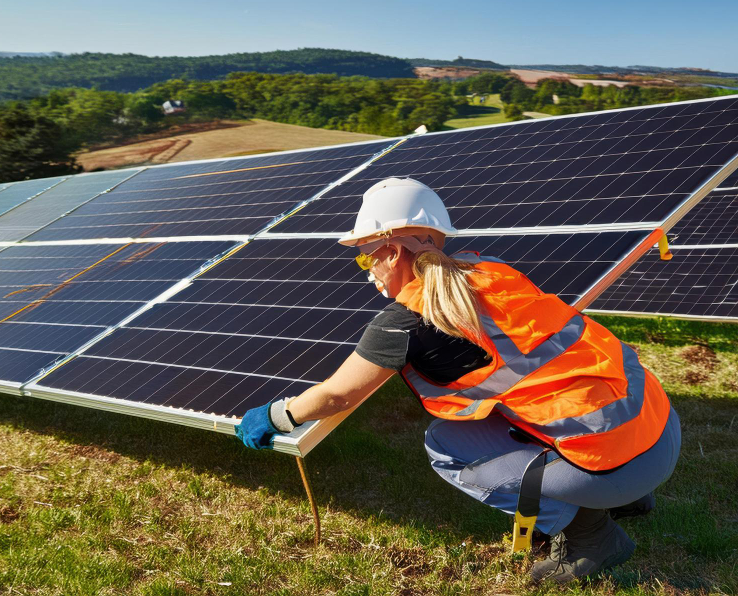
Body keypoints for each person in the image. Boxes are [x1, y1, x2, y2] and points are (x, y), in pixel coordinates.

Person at [235, 177, 680, 585]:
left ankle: (593, 537)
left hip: (613, 464)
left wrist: (277, 414)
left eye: (365, 257)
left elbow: (337, 394)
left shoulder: (402, 323)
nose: (367, 271)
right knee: (549, 399)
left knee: (444, 443)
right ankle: (630, 499)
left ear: (391, 252)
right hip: (661, 430)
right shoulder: (492, 270)